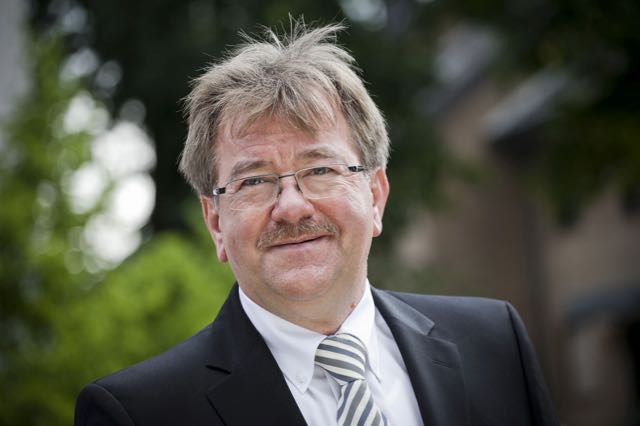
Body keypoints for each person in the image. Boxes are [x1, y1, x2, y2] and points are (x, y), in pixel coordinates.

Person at [74, 21, 559, 426]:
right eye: (254, 181)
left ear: (375, 195)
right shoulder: (138, 414)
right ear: (215, 222)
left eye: (320, 170)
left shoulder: (495, 345)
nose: (291, 208)